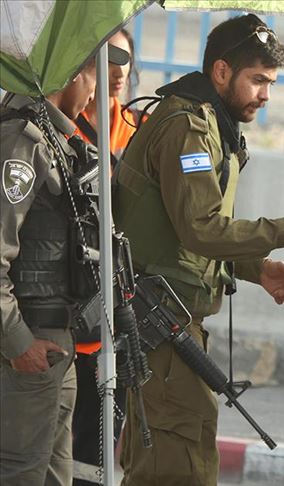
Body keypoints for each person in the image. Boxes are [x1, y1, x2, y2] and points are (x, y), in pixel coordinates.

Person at [113, 14, 284, 485]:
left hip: (172, 320)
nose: (265, 95)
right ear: (221, 72)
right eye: (257, 80)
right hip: (160, 322)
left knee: (174, 452)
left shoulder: (211, 122)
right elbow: (200, 228)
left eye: (271, 83)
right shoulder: (188, 127)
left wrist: (256, 268)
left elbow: (187, 229)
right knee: (177, 465)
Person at [1, 45, 130, 486]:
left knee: (56, 474)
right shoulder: (23, 140)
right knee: (21, 473)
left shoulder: (59, 139)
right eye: (93, 77)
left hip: (57, 339)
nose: (95, 92)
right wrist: (18, 343)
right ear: (72, 75)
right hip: (27, 339)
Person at [71, 29, 137, 486]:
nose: (117, 71)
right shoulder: (61, 130)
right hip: (67, 321)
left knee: (101, 458)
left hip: (120, 319)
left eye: (125, 59)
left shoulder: (140, 133)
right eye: (106, 57)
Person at [74, 28, 140, 164]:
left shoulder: (141, 125)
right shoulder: (66, 126)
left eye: (125, 60)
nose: (120, 73)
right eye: (110, 61)